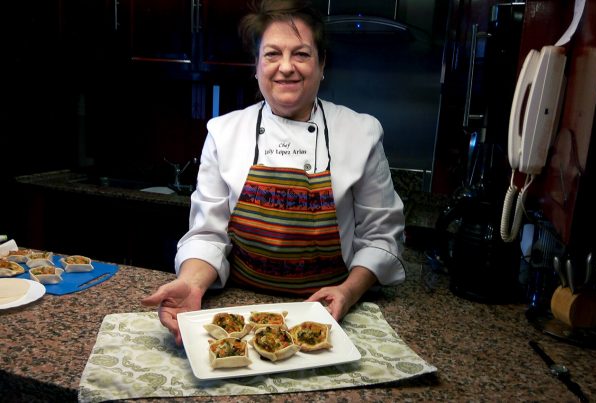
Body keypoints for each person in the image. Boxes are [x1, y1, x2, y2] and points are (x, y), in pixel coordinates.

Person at [142, 0, 406, 345]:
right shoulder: (225, 132)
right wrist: (191, 284)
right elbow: (208, 235)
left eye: (301, 54)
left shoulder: (361, 133)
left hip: (331, 313)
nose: (286, 68)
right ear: (256, 65)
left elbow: (381, 237)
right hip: (241, 314)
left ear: (322, 64)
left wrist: (348, 291)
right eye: (272, 54)